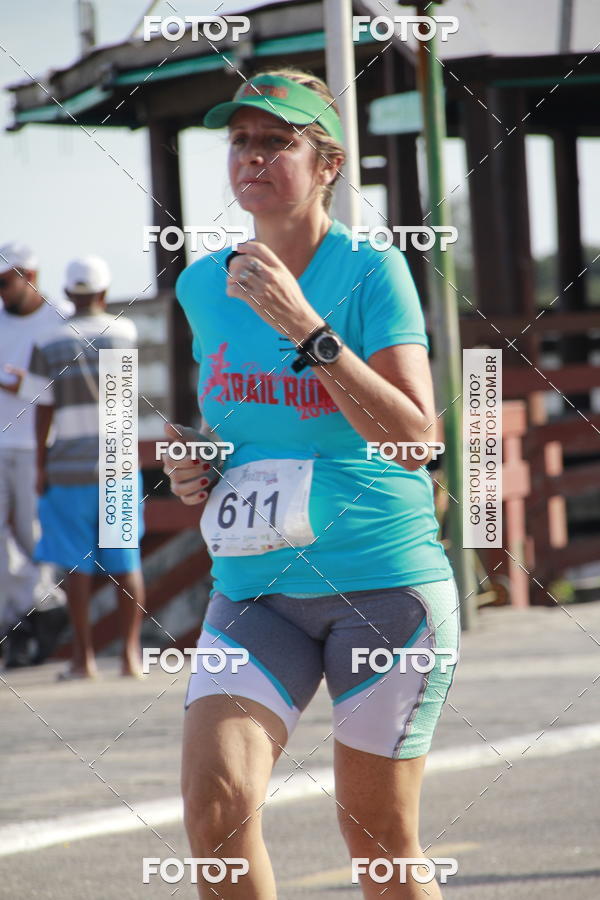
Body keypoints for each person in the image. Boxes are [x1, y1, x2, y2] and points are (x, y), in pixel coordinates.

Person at [164, 68, 460, 899]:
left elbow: (420, 444)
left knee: (380, 841)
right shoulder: (201, 283)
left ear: (327, 164)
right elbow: (235, 426)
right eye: (240, 142)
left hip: (384, 586)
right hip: (257, 591)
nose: (252, 158)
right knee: (215, 809)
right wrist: (198, 458)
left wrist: (306, 328)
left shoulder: (371, 272)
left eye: (276, 141)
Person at [27, 256, 146, 679]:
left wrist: (40, 467)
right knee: (125, 561)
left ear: (70, 294)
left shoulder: (49, 341)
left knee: (75, 566)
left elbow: (43, 410)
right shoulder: (125, 332)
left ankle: (84, 660)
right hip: (117, 464)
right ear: (102, 292)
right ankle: (131, 657)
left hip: (69, 468)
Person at [0, 242, 70, 668]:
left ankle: (38, 614)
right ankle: (32, 613)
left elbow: (82, 386)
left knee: (32, 536)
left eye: (5, 282)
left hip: (36, 446)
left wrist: (25, 385)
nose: (0, 291)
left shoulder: (61, 319)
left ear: (31, 277)